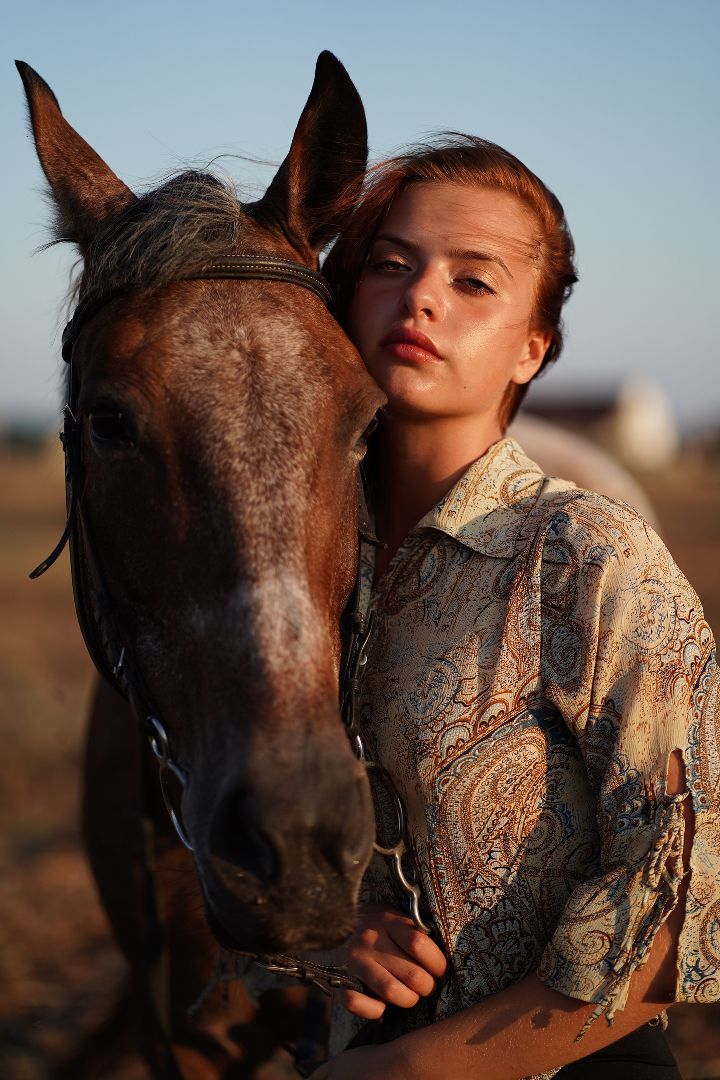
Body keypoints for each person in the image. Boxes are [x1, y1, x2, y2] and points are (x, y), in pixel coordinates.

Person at [306, 136, 720, 1079]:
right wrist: (326, 931)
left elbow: (687, 894)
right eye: (390, 264)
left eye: (473, 282)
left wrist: (411, 1070)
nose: (421, 297)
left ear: (532, 348)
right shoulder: (303, 558)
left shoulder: (586, 555)